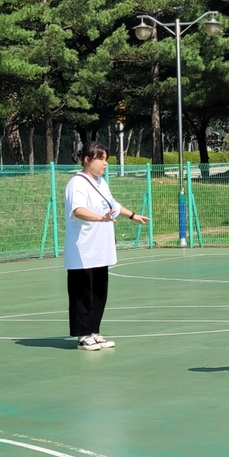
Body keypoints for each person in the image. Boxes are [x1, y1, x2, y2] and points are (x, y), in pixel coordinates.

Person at [64, 141, 149, 350]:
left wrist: (133, 215)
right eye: (101, 159)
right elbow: (78, 210)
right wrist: (100, 219)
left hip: (101, 249)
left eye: (106, 159)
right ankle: (83, 336)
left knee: (99, 293)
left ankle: (93, 331)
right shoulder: (77, 183)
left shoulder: (101, 182)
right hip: (82, 250)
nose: (105, 164)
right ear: (87, 160)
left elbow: (113, 205)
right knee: (82, 293)